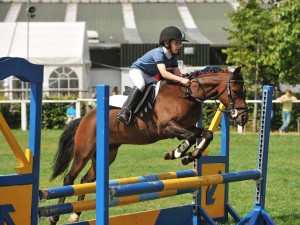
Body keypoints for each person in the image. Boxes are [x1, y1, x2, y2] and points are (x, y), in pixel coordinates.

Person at [117, 26, 191, 124]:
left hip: (148, 75)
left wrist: (185, 79)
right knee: (141, 85)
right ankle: (125, 111)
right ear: (166, 43)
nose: (180, 45)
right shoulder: (159, 53)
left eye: (180, 43)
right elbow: (164, 73)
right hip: (137, 71)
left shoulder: (172, 57)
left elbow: (178, 75)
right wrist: (181, 80)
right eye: (177, 43)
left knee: (159, 89)